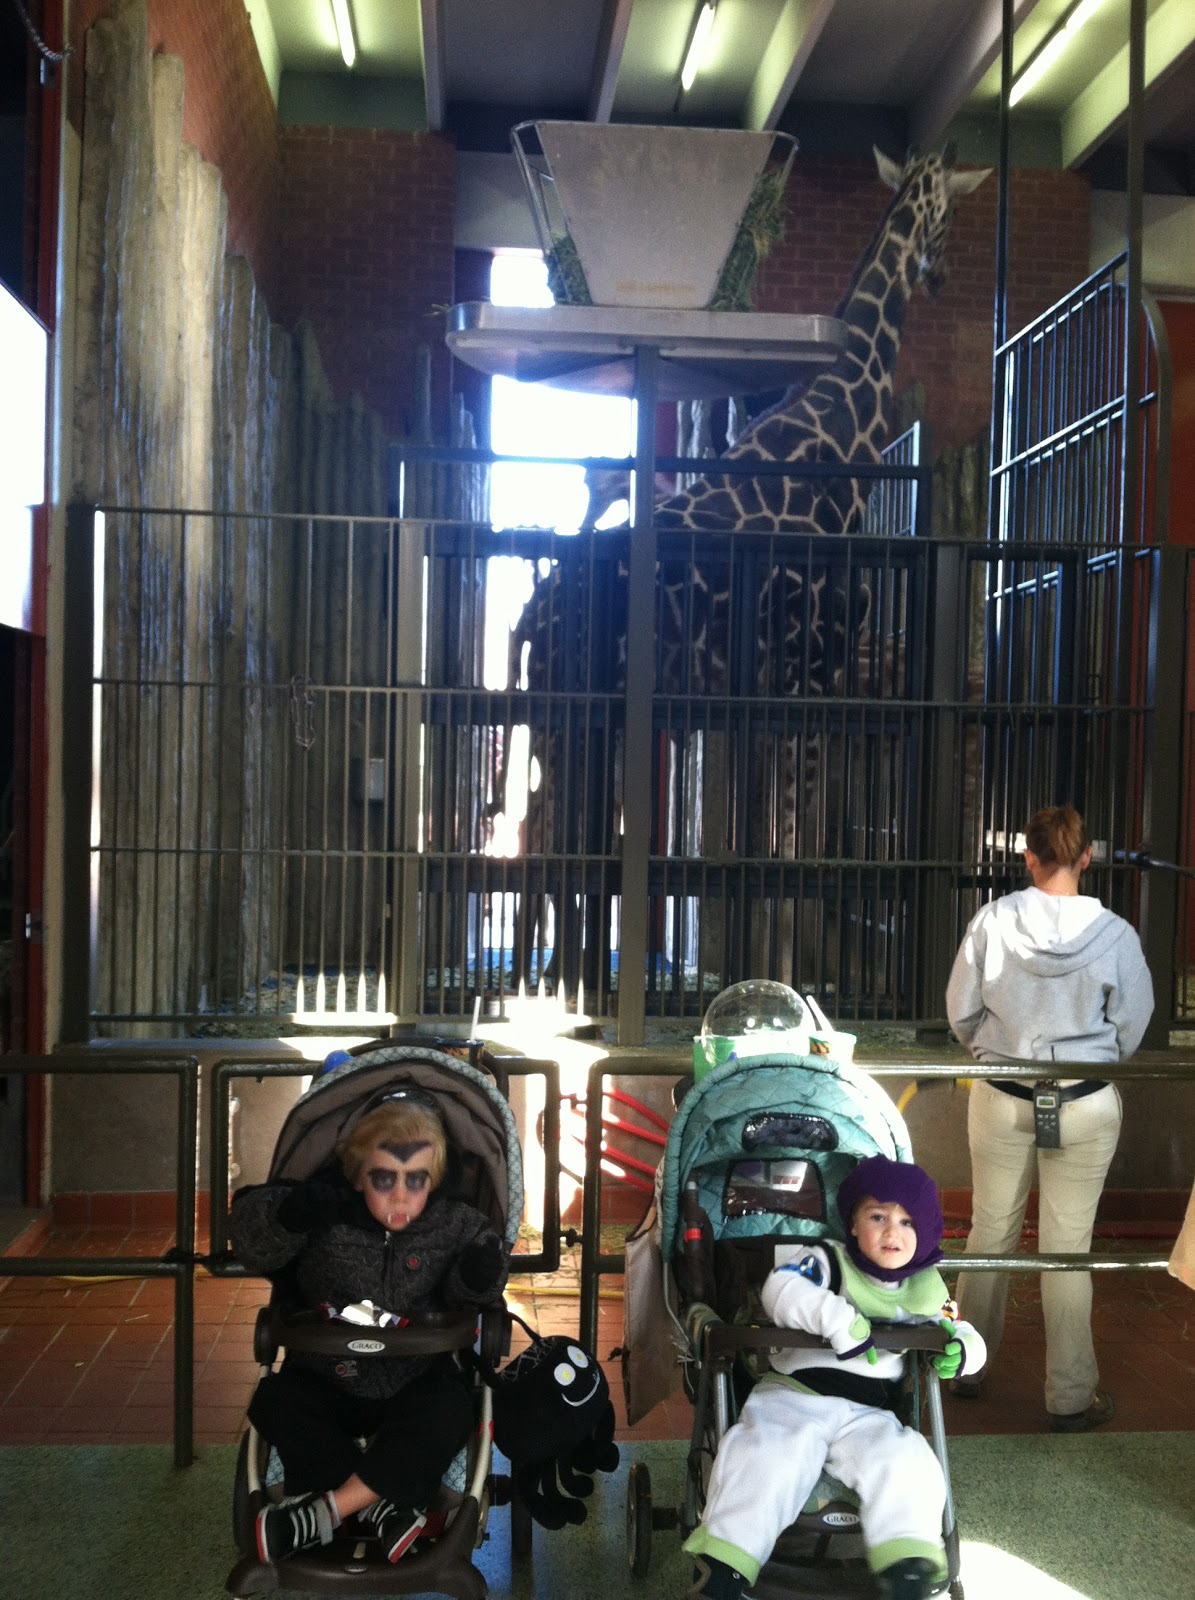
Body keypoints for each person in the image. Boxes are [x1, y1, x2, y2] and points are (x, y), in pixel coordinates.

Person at [683, 1154, 984, 1600]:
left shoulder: (924, 1288)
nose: (891, 1232)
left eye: (907, 1222)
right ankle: (726, 1565)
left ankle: (907, 1566)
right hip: (794, 1396)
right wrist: (837, 1320)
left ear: (925, 1232)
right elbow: (781, 1289)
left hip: (869, 1414)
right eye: (877, 1217)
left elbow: (956, 1328)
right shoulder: (827, 1260)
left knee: (908, 1463)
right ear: (853, 1224)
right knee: (765, 1457)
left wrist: (965, 1351)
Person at [228, 1090, 508, 1565]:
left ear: (436, 1179)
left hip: (414, 1378)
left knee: (450, 1410)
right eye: (384, 1178)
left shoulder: (455, 1226)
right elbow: (251, 1238)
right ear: (357, 1176)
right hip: (325, 1375)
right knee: (274, 1401)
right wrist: (289, 1216)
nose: (401, 1195)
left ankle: (323, 1512)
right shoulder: (323, 1216)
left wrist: (479, 1273)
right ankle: (384, 1507)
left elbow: (468, 1296)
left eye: (416, 1180)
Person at [946, 803, 1153, 1431]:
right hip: (1085, 1100)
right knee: (1068, 1247)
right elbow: (1133, 1025)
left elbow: (960, 1010)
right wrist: (1093, 1055)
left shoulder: (992, 921)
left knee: (990, 1231)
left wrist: (991, 1050)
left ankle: (965, 1367)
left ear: (1028, 857)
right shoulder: (1116, 934)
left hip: (1002, 1093)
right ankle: (1069, 1396)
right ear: (1086, 857)